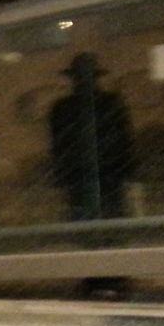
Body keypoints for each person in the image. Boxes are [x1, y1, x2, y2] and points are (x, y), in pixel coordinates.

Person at [48, 52, 137, 299]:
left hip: (93, 178)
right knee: (103, 228)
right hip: (103, 178)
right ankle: (108, 277)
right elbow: (123, 141)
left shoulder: (64, 109)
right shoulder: (108, 104)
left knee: (94, 229)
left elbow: (60, 148)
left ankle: (101, 277)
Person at [48, 52, 136, 221]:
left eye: (85, 76)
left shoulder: (109, 103)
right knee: (89, 217)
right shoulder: (63, 108)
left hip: (105, 172)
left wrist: (125, 169)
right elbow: (59, 146)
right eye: (80, 77)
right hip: (85, 173)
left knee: (108, 215)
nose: (83, 81)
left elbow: (123, 138)